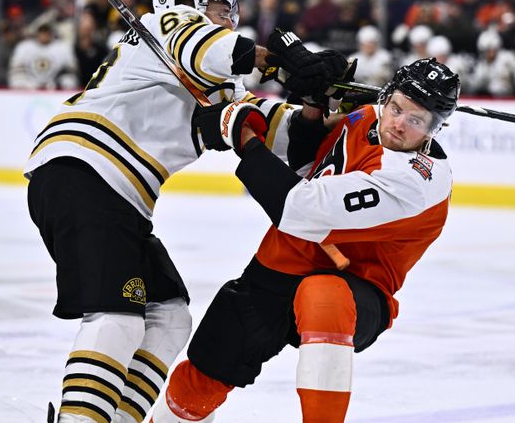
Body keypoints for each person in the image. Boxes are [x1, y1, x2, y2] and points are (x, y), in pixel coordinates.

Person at [24, 0, 345, 423]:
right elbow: (206, 46)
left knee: (169, 317)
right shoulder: (160, 29)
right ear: (189, 2)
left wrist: (317, 100)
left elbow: (285, 137)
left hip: (114, 195)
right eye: (220, 8)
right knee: (116, 316)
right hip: (83, 169)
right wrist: (279, 60)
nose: (229, 19)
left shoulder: (215, 77)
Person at [148, 56, 460, 423]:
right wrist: (313, 110)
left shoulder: (414, 182)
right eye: (396, 108)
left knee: (324, 294)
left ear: (435, 130)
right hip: (281, 264)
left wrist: (243, 137)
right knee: (206, 369)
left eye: (416, 120)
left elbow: (300, 210)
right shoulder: (366, 116)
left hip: (357, 286)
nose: (398, 124)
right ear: (388, 96)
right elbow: (305, 169)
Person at [8, 22, 79, 90]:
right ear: (37, 33)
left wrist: (56, 84)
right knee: (18, 81)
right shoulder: (24, 47)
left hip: (54, 88)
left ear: (52, 33)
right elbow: (16, 73)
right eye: (42, 31)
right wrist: (29, 85)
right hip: (29, 89)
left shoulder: (63, 47)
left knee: (68, 81)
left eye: (47, 31)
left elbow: (71, 73)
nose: (44, 35)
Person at [470, 28, 515, 97]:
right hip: (488, 100)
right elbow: (475, 83)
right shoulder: (480, 64)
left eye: (493, 50)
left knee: (496, 87)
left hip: (507, 98)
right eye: (487, 50)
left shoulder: (506, 59)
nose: (491, 53)